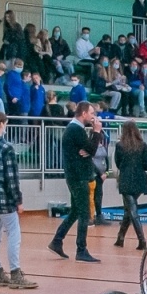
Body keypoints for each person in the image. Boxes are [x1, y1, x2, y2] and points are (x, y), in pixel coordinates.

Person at [0, 109, 37, 290]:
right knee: (14, 234)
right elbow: (11, 178)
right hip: (4, 199)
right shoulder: (7, 147)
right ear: (2, 124)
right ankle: (15, 273)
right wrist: (18, 200)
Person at [50, 101, 99, 262]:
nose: (93, 117)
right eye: (92, 113)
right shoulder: (76, 130)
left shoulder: (76, 129)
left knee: (76, 211)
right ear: (84, 113)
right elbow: (91, 149)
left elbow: (88, 150)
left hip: (75, 176)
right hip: (79, 178)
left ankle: (57, 241)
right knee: (84, 213)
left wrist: (89, 149)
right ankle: (81, 249)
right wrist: (96, 132)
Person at [112, 119, 147, 250]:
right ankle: (120, 237)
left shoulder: (119, 146)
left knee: (132, 210)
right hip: (140, 180)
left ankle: (142, 240)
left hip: (126, 180)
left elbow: (118, 163)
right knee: (129, 209)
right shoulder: (142, 145)